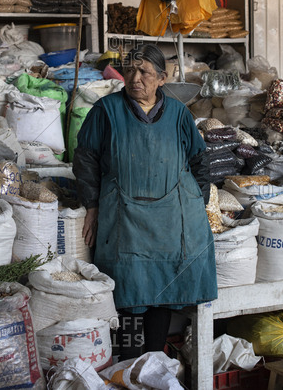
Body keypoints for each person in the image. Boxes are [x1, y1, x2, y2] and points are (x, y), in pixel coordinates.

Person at [73, 44, 216, 360]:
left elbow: (198, 159)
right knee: (128, 289)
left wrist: (197, 206)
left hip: (169, 218)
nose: (135, 78)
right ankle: (129, 365)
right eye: (130, 71)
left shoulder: (178, 113)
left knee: (163, 290)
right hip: (123, 215)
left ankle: (153, 363)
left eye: (144, 72)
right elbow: (85, 158)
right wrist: (92, 207)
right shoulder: (107, 110)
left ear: (162, 79)